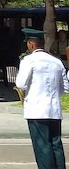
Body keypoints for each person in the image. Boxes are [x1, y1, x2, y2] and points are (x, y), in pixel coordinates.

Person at [15, 28, 69, 169]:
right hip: (54, 110)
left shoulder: (29, 60)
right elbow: (65, 89)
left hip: (36, 110)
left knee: (42, 146)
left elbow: (20, 84)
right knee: (56, 144)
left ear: (31, 44)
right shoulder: (57, 62)